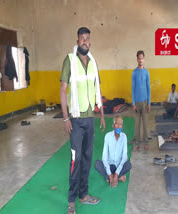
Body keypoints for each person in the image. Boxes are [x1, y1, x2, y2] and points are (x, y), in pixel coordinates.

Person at [60, 27, 105, 214]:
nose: (85, 42)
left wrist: (101, 114)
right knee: (75, 159)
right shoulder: (69, 60)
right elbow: (63, 90)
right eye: (82, 39)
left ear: (90, 42)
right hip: (76, 119)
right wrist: (65, 118)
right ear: (77, 41)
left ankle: (84, 195)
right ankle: (71, 201)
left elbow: (98, 89)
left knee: (87, 158)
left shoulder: (93, 62)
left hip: (90, 118)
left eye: (87, 39)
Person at [95, 116, 132, 188]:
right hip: (110, 166)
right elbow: (104, 157)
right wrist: (110, 174)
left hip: (119, 166)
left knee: (128, 165)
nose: (118, 126)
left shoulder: (124, 137)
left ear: (122, 126)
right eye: (117, 124)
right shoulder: (107, 136)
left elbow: (124, 157)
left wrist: (116, 174)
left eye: (120, 124)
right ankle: (114, 177)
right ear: (113, 126)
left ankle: (109, 178)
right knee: (97, 164)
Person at [131, 50, 151, 151]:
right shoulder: (134, 73)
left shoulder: (147, 72)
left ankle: (146, 142)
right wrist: (133, 103)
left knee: (145, 124)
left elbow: (148, 88)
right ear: (137, 59)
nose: (140, 60)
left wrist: (149, 103)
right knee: (137, 124)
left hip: (145, 102)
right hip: (137, 103)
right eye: (139, 58)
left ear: (144, 59)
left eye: (142, 58)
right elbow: (133, 89)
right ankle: (137, 142)